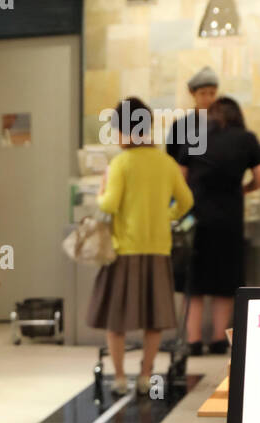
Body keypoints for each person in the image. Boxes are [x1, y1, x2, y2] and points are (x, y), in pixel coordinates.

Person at [88, 97, 193, 396]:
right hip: (159, 250)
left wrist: (99, 191)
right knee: (154, 318)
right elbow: (186, 201)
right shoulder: (167, 163)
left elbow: (109, 204)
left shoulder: (121, 163)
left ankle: (120, 378)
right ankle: (146, 376)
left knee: (117, 319)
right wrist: (166, 216)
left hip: (125, 251)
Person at [182, 96, 260, 355]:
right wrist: (244, 188)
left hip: (197, 219)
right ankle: (217, 340)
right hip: (229, 218)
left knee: (195, 282)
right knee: (225, 282)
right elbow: (259, 176)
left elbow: (180, 177)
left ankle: (192, 341)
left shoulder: (196, 136)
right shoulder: (247, 139)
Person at [167, 66, 219, 165]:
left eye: (212, 93)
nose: (208, 98)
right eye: (202, 93)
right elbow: (172, 162)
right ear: (193, 94)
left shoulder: (223, 125)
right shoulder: (180, 126)